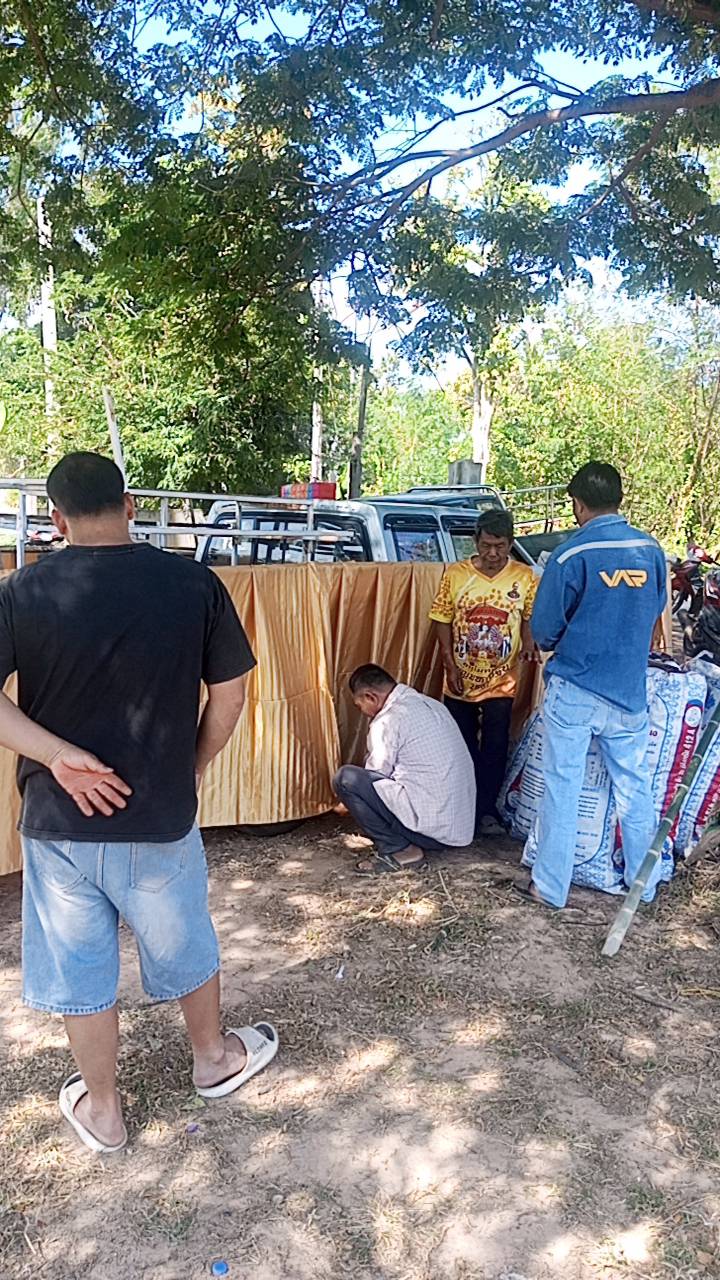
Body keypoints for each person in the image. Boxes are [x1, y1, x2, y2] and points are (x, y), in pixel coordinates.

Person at [0, 451, 278, 1154]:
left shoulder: (20, 591)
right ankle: (213, 1060)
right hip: (158, 814)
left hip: (58, 821)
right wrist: (193, 765)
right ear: (129, 507)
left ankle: (104, 1111)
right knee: (185, 938)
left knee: (80, 968)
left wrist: (56, 757)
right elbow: (231, 694)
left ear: (56, 520)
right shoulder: (193, 583)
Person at [523, 461, 668, 910]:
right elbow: (655, 609)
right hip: (628, 692)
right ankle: (645, 885)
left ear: (578, 504)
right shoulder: (650, 550)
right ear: (619, 500)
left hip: (576, 690)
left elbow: (544, 629)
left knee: (562, 788)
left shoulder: (571, 555)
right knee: (635, 789)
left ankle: (550, 888)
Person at [429, 508, 538, 837]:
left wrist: (529, 643)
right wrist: (448, 662)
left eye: (500, 546)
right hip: (460, 676)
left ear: (510, 544)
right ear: (476, 542)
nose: (493, 553)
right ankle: (461, 808)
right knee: (460, 743)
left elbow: (528, 615)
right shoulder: (456, 575)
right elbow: (441, 618)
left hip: (502, 679)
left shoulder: (524, 577)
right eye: (487, 545)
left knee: (495, 745)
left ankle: (487, 810)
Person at [333, 665, 476, 875]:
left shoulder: (388, 720)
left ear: (371, 697)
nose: (361, 712)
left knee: (346, 779)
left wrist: (347, 803)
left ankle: (400, 849)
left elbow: (377, 774)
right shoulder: (432, 704)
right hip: (459, 829)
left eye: (359, 705)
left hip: (431, 831)